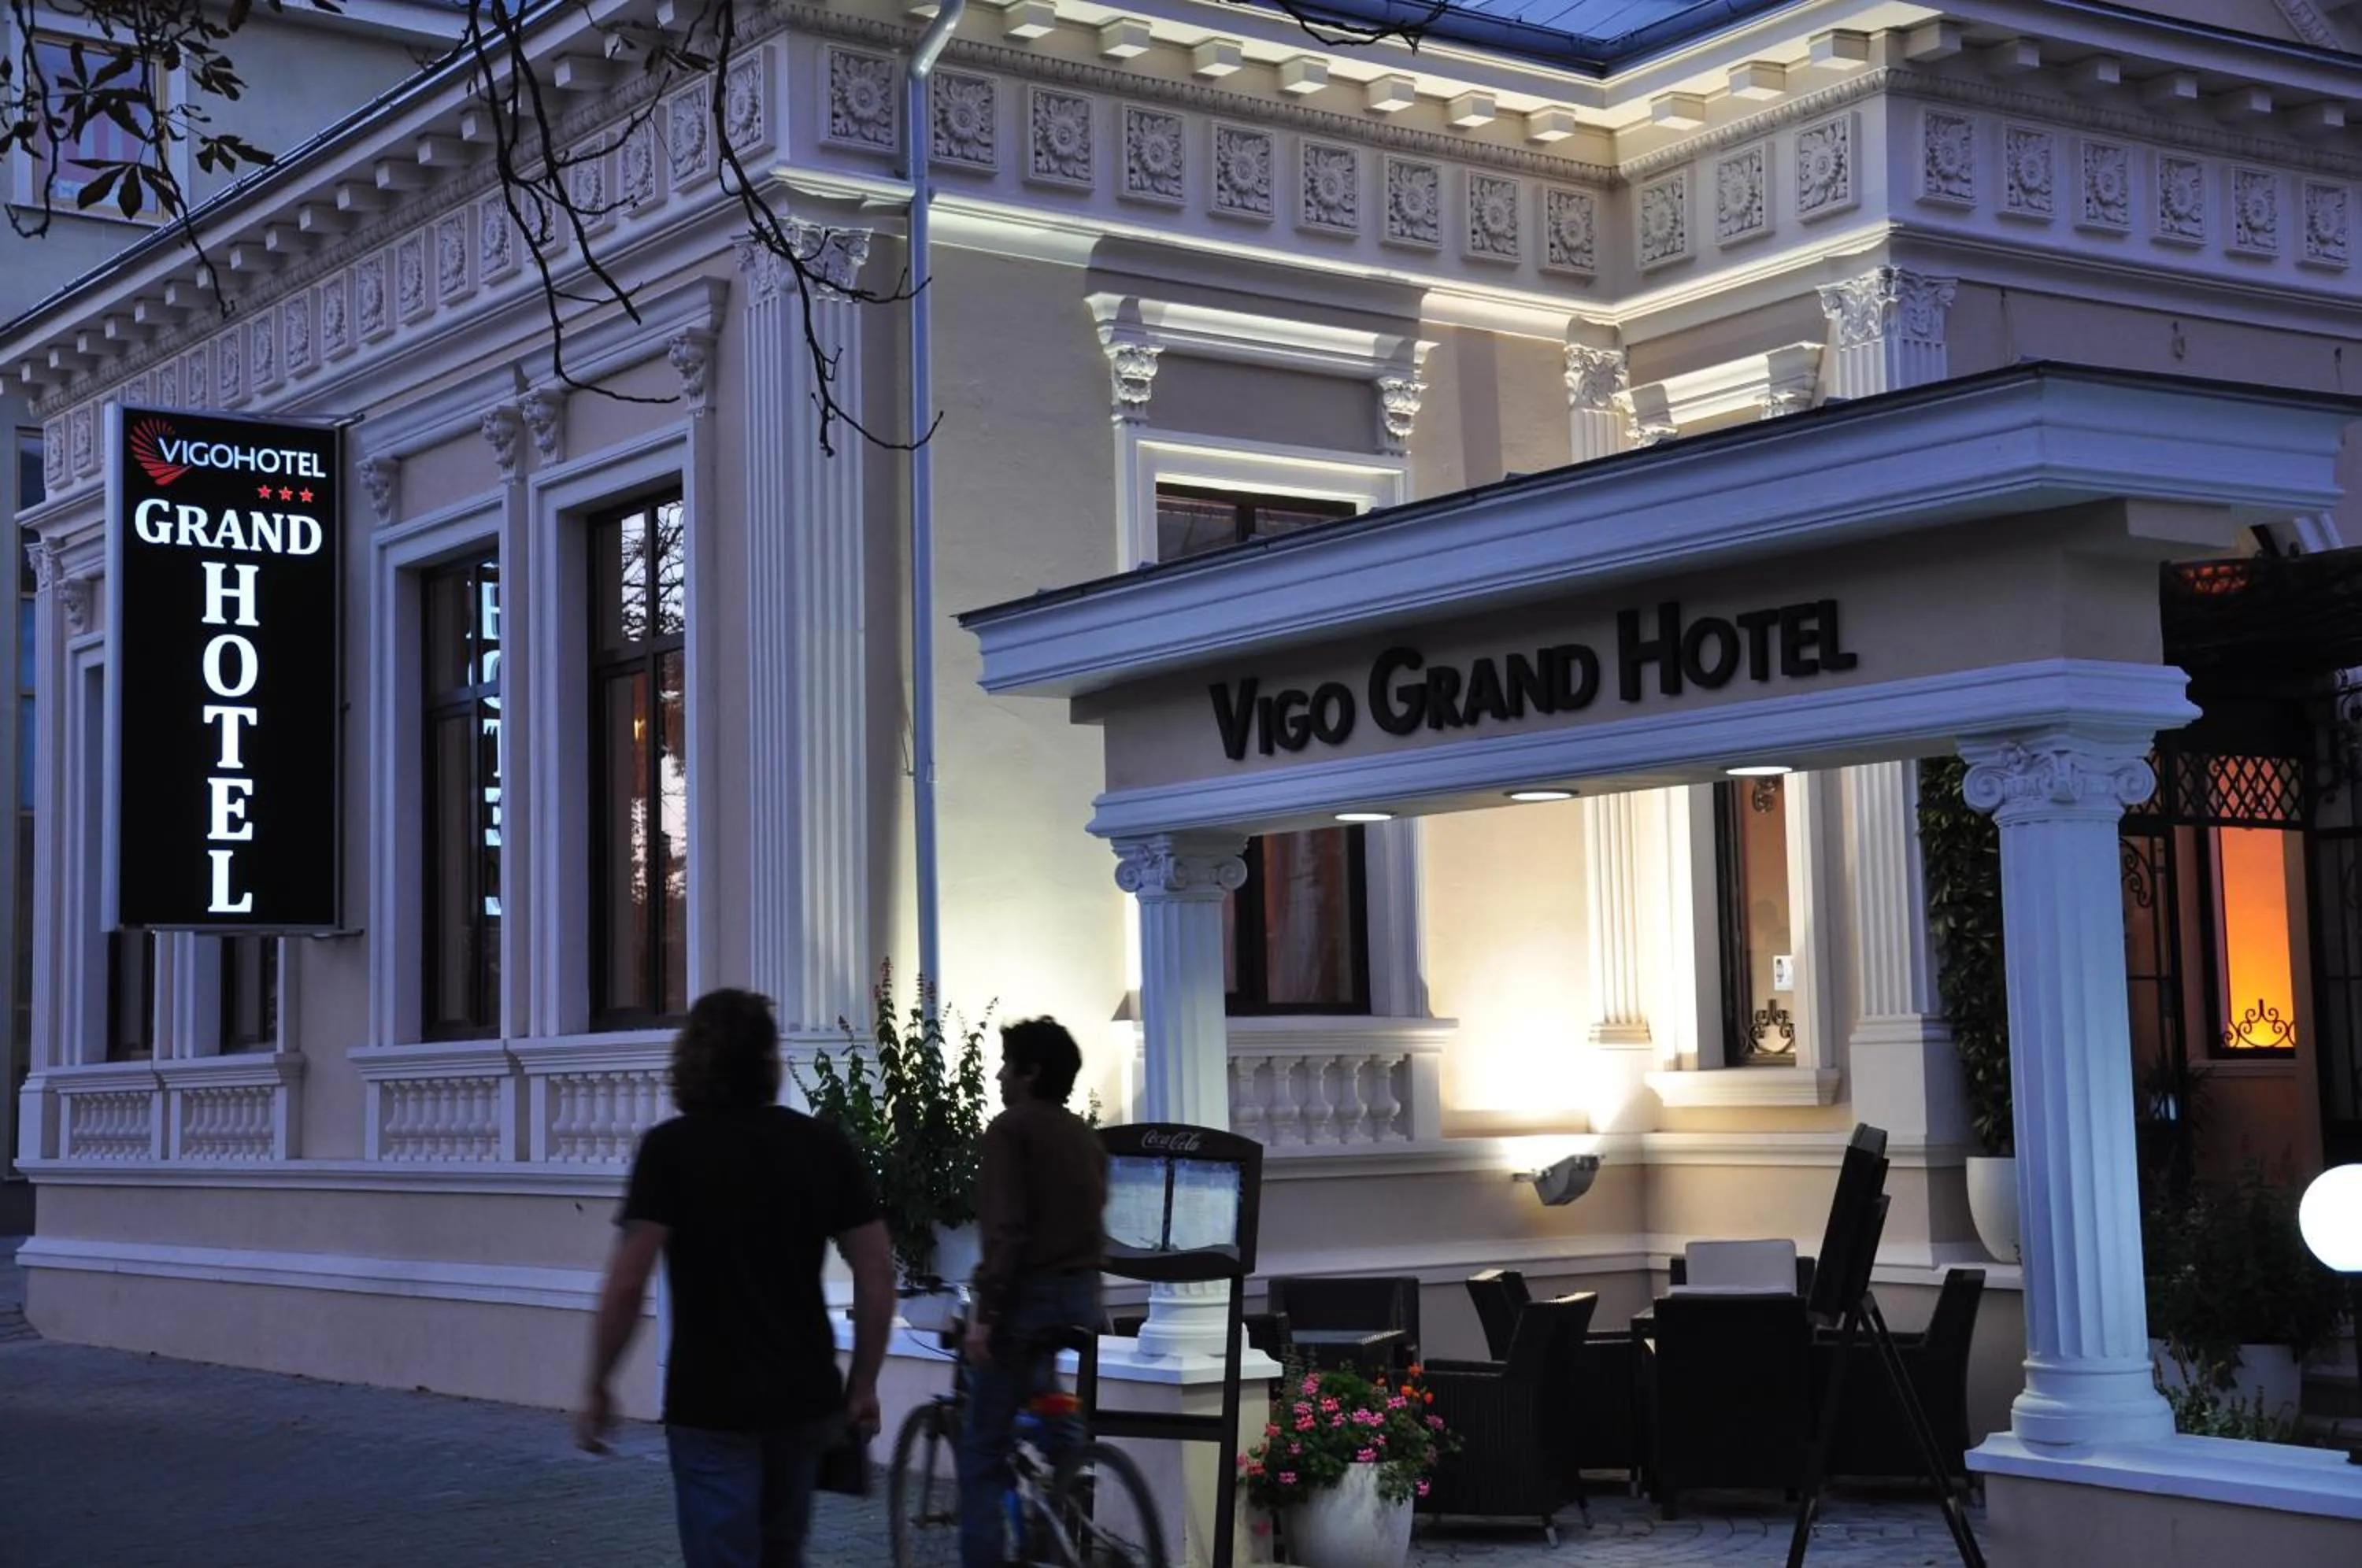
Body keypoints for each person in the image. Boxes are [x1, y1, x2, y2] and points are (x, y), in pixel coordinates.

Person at [576, 987, 896, 1568]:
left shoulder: (671, 1150)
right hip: (803, 1397)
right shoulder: (821, 1145)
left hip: (710, 1400)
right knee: (782, 1553)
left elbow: (627, 1282)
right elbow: (876, 1270)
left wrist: (599, 1380)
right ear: (769, 1061)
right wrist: (864, 1383)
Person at [958, 1016, 1108, 1568]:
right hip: (1081, 1296)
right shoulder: (1084, 1136)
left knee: (981, 1449)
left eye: (1007, 1064)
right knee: (1041, 1389)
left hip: (1027, 1300)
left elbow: (1006, 1232)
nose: (999, 1075)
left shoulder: (1010, 1130)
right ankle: (1069, 1467)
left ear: (1031, 1072)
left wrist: (985, 1315)